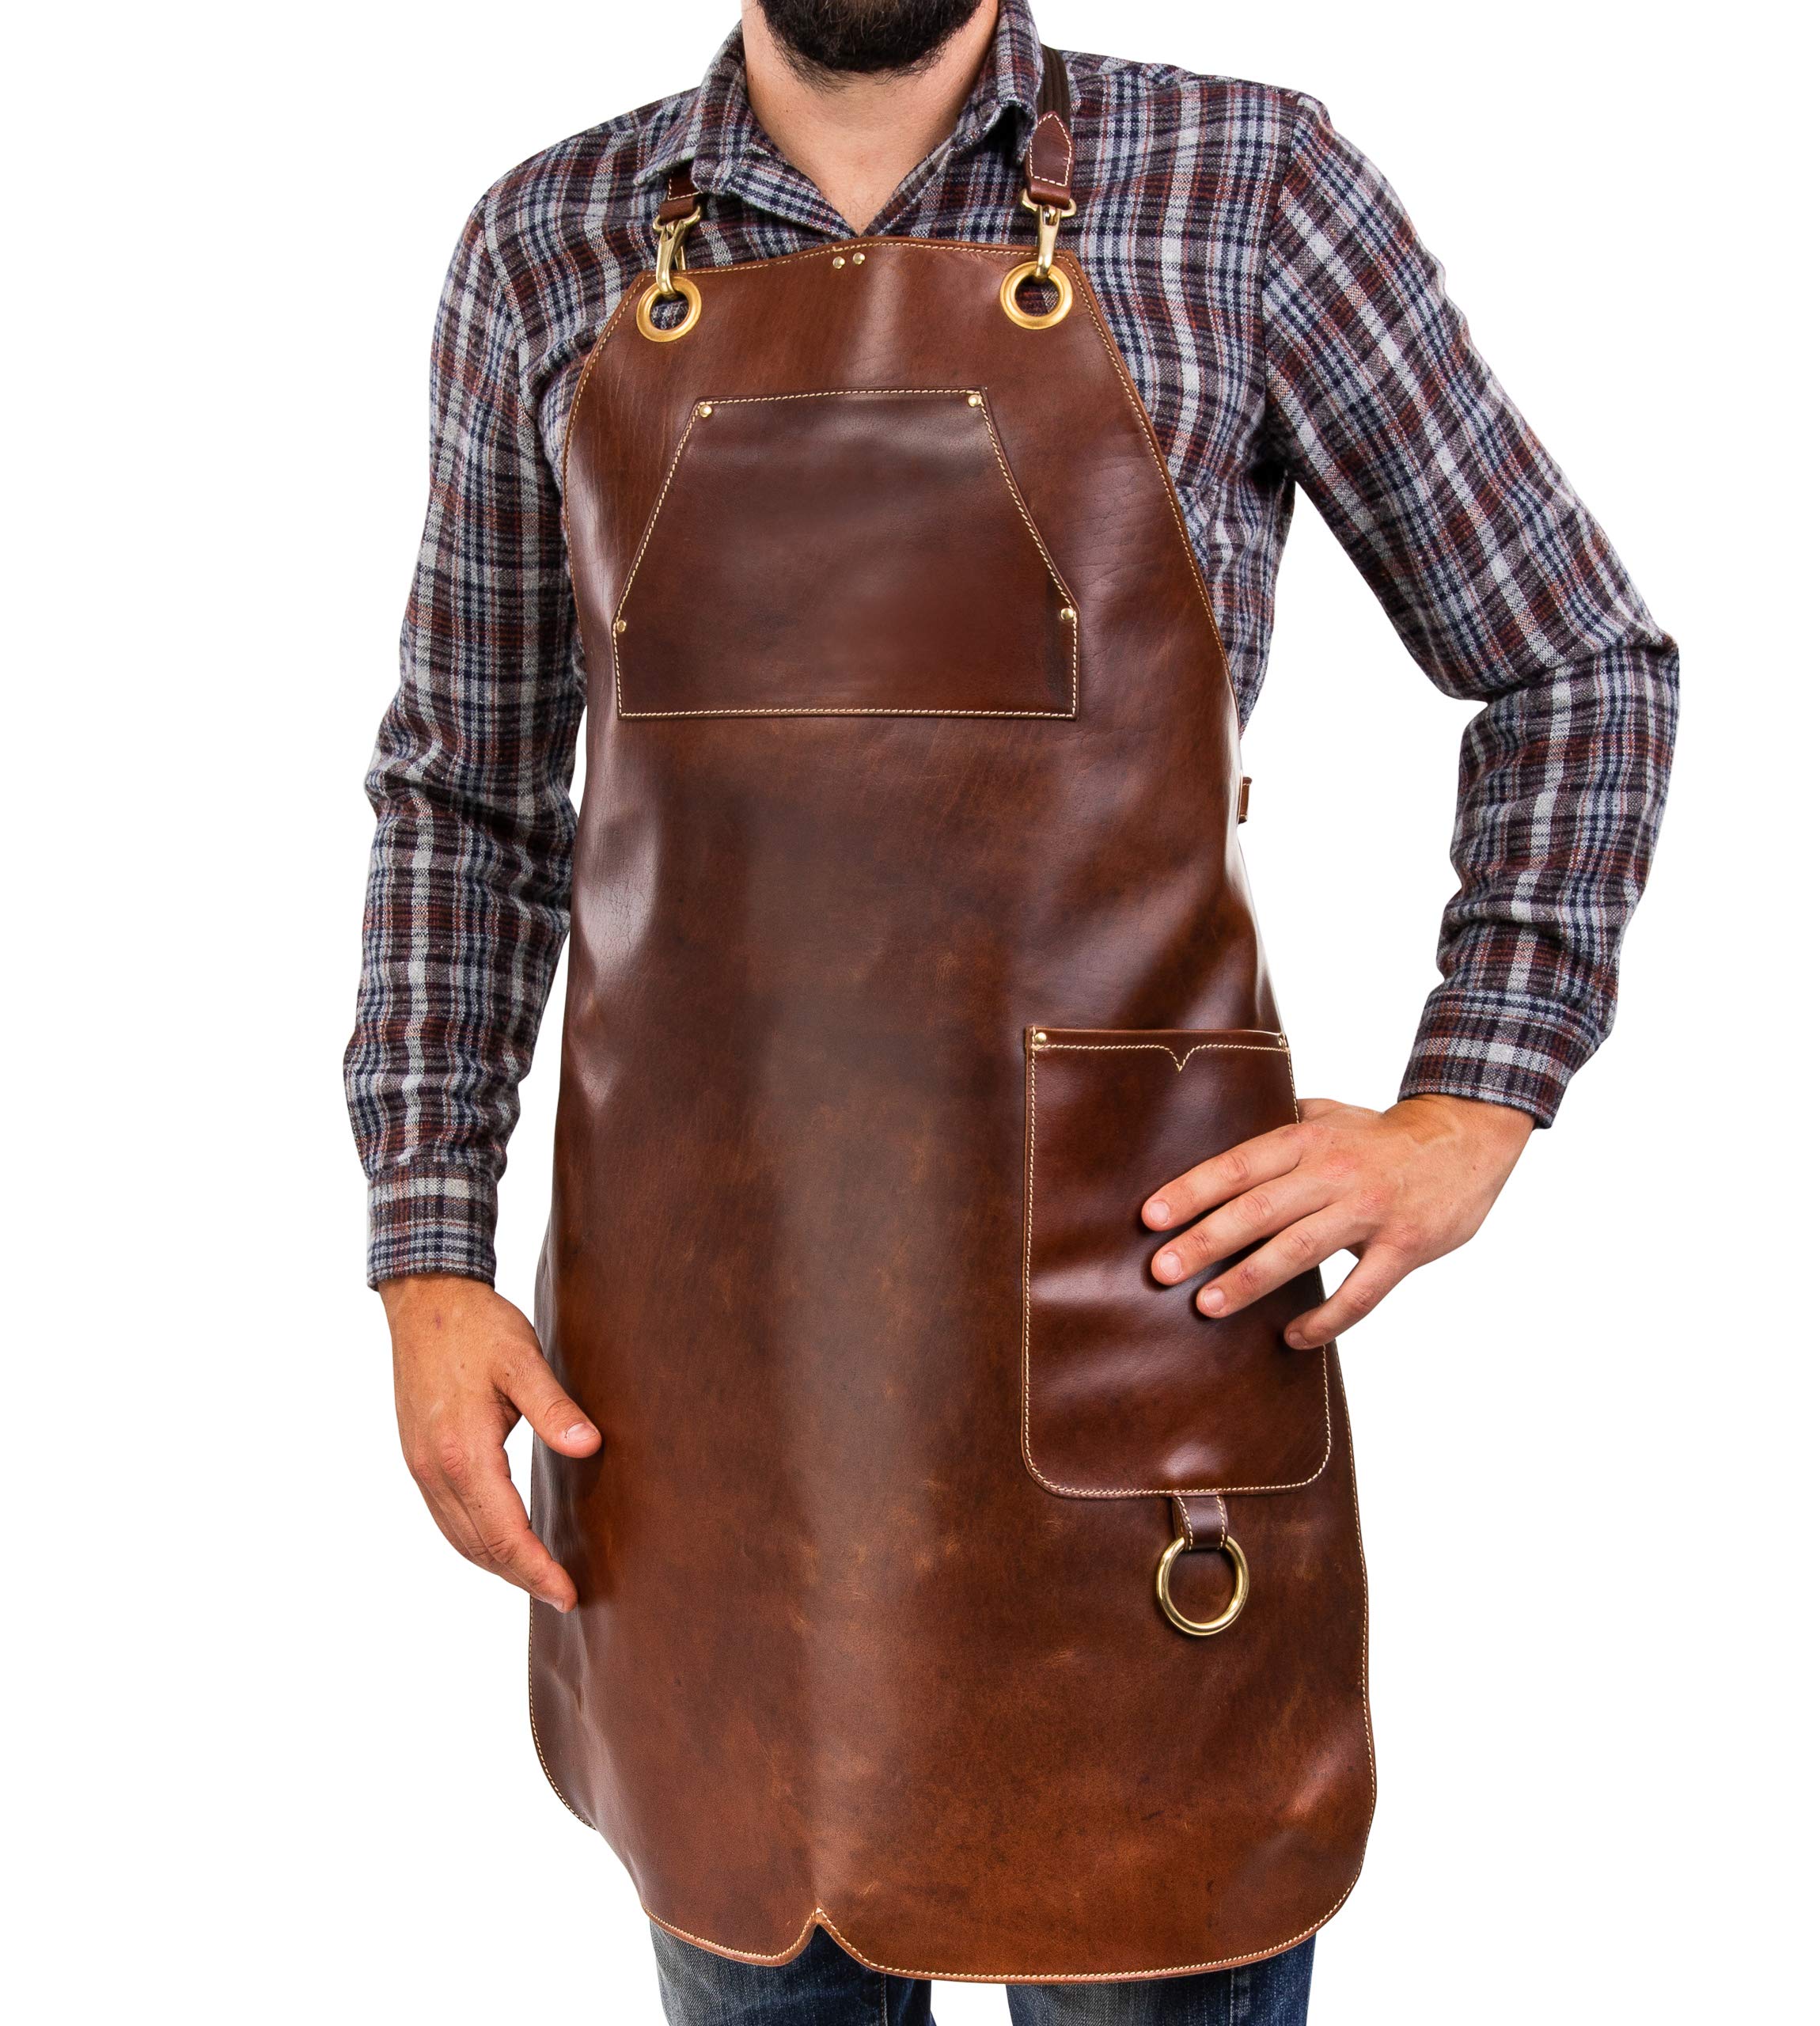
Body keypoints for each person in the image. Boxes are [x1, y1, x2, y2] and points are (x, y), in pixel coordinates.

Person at [345, 2, 1676, 2019]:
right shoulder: (550, 240)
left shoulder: (1249, 188)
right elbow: (465, 794)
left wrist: (1475, 1101)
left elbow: (1574, 659)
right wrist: (428, 1247)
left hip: (1125, 1353)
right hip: (706, 1399)